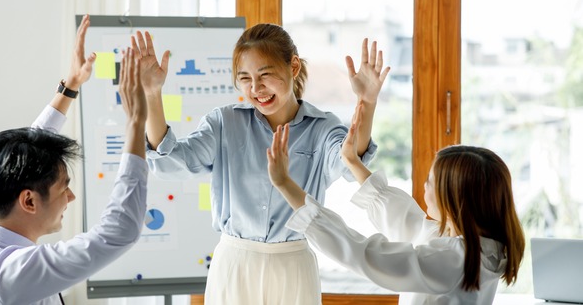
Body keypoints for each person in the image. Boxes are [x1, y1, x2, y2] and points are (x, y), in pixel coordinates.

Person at [131, 23, 390, 304]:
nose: (255, 88)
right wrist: (152, 94)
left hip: (293, 264)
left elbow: (351, 161)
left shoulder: (322, 128)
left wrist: (367, 101)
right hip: (234, 263)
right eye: (245, 78)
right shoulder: (224, 123)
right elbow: (170, 162)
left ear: (293, 67)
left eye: (265, 75)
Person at [0, 15, 149, 305]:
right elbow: (119, 233)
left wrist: (71, 86)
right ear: (28, 201)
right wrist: (136, 122)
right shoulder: (7, 275)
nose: (72, 196)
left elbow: (28, 148)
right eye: (63, 188)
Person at [267, 103, 526, 304]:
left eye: (430, 180)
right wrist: (353, 163)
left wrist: (284, 184)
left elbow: (366, 255)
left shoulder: (455, 259)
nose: (424, 186)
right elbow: (407, 220)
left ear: (456, 200)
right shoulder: (480, 248)